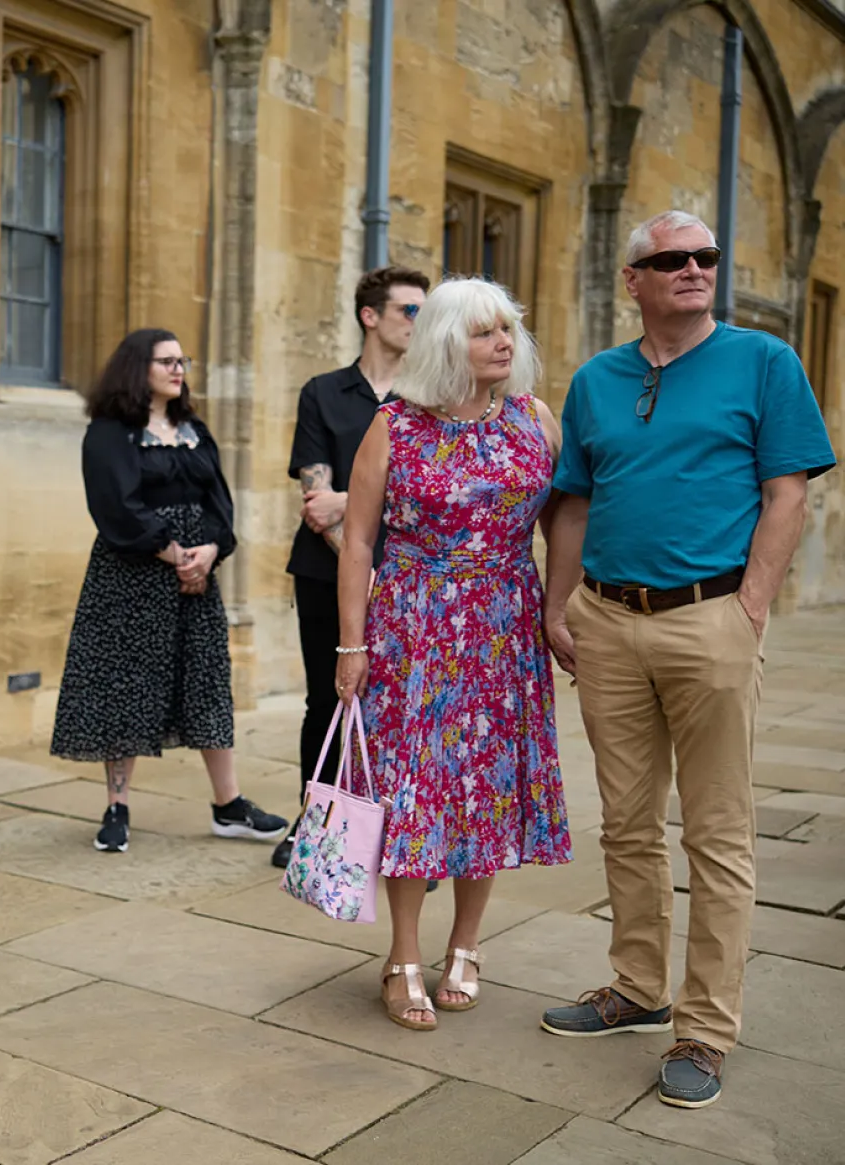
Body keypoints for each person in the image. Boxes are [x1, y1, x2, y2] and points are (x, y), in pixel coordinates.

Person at [539, 210, 835, 1109]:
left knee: (717, 834)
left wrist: (750, 606)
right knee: (626, 821)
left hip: (709, 618)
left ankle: (704, 1029)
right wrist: (561, 604)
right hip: (609, 620)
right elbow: (574, 504)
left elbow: (788, 494)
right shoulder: (597, 380)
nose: (694, 269)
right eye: (671, 259)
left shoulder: (765, 363)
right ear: (634, 279)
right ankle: (636, 986)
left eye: (705, 256)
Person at [335, 277, 572, 1033]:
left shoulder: (535, 419)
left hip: (504, 631)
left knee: (488, 791)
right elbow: (360, 538)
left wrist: (559, 608)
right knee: (413, 793)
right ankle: (404, 954)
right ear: (445, 342)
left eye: (508, 329)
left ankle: (465, 944)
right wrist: (351, 643)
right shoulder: (395, 426)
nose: (504, 342)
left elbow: (568, 519)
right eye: (483, 331)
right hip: (414, 633)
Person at [50, 328, 288, 854]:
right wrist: (174, 553)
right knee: (128, 683)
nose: (179, 369)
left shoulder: (193, 429)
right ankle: (117, 806)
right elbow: (116, 506)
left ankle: (229, 804)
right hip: (132, 577)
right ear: (138, 369)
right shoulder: (110, 433)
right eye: (166, 361)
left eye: (182, 360)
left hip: (196, 580)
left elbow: (219, 502)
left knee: (206, 681)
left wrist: (209, 551)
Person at [276, 265, 430, 869]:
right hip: (325, 574)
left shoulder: (427, 401)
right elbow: (318, 505)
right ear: (371, 316)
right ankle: (314, 831)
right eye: (408, 310)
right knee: (328, 702)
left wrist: (354, 500)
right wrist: (359, 567)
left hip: (408, 581)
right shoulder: (322, 392)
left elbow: (426, 494)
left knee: (404, 710)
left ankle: (402, 835)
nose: (419, 321)